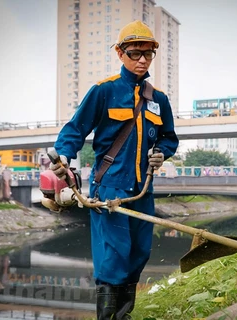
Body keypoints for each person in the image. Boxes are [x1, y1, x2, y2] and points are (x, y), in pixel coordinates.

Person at [50, 20, 179, 319]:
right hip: (109, 188)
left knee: (138, 254)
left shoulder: (158, 99)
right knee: (113, 259)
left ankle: (124, 316)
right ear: (121, 54)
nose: (142, 60)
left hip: (143, 190)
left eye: (148, 54)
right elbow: (74, 130)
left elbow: (169, 137)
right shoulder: (104, 91)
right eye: (135, 53)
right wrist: (65, 158)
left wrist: (162, 152)